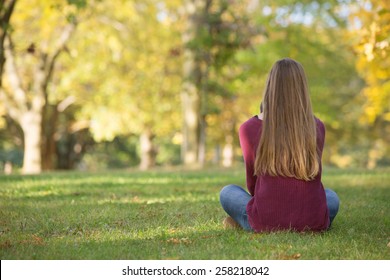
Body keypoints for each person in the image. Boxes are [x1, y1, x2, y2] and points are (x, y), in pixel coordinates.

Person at [219, 58, 339, 232]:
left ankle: (245, 221)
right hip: (312, 221)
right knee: (331, 197)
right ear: (302, 88)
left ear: (270, 86)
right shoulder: (317, 126)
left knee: (228, 192)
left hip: (266, 220)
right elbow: (315, 178)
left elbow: (253, 185)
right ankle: (303, 221)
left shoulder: (248, 128)